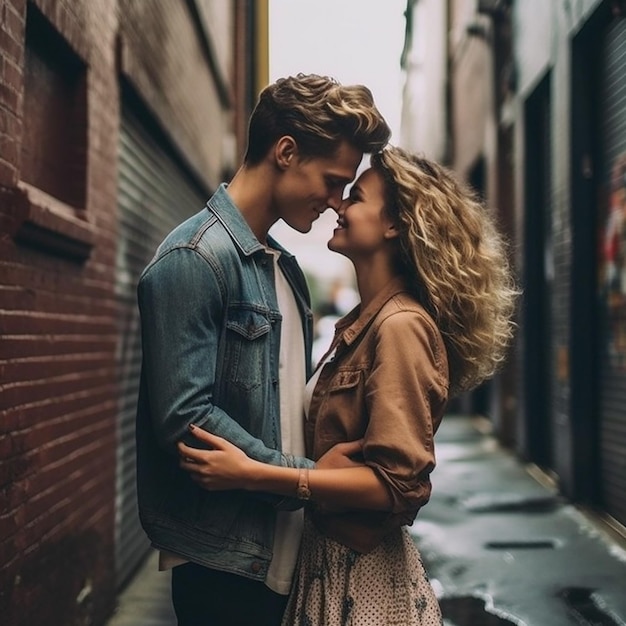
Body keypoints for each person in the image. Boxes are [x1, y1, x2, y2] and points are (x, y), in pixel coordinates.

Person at [178, 146, 519, 625]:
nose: (338, 205)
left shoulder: (400, 326)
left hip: (363, 583)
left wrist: (254, 473)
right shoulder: (363, 323)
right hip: (327, 567)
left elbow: (398, 483)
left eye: (355, 197)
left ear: (395, 224)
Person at [135, 73, 391, 626]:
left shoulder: (283, 269)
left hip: (284, 557)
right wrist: (304, 478)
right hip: (223, 567)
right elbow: (186, 421)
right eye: (330, 181)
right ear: (286, 151)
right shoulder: (193, 260)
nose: (335, 202)